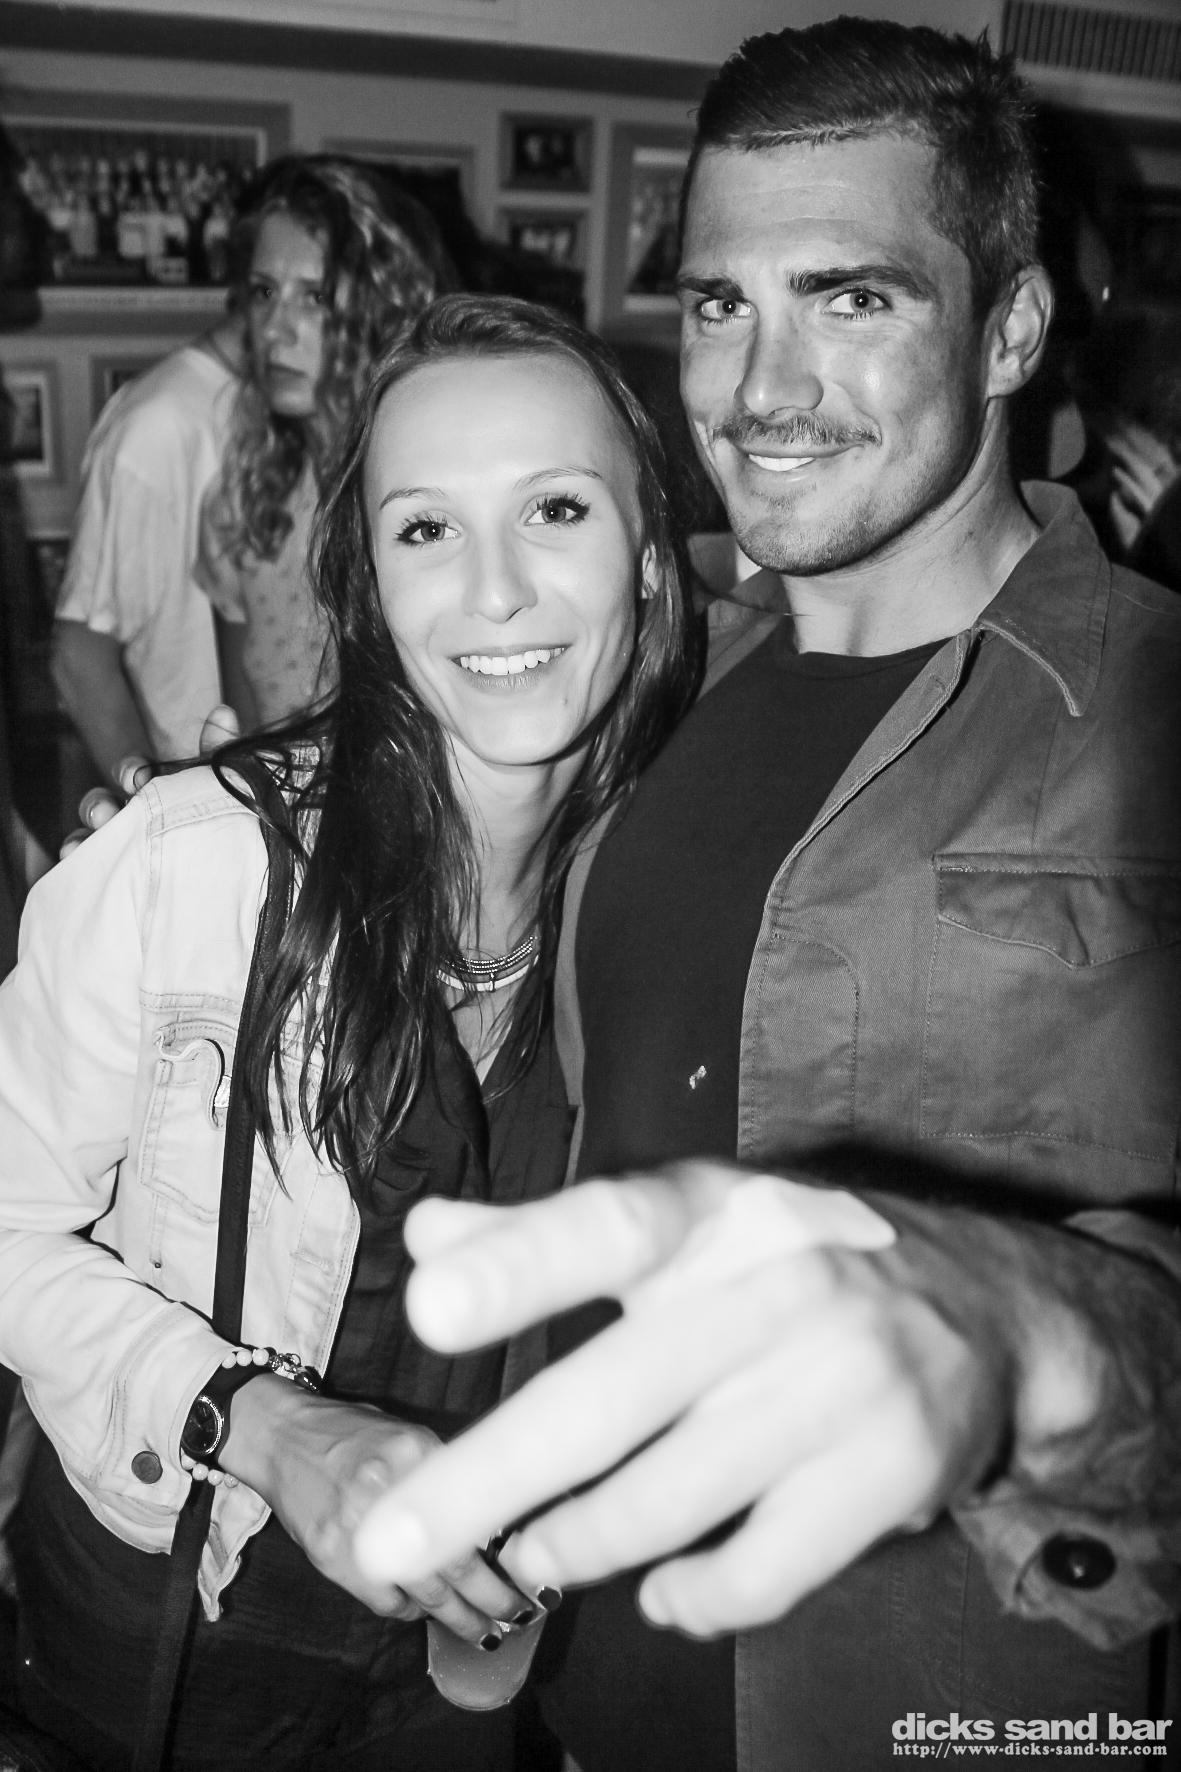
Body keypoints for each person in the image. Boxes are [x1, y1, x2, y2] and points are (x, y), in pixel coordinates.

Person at [350, 20, 1181, 1770]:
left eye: (852, 299)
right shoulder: (659, 677)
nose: (761, 388)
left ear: (1011, 329)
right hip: (579, 1680)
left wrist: (1038, 1332)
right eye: (721, 305)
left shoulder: (1150, 714)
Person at [0, 294, 696, 1772]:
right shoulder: (192, 868)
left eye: (556, 509)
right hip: (185, 1620)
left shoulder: (674, 893)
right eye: (427, 529)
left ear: (648, 556)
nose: (495, 590)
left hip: (469, 1651)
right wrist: (258, 1422)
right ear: (370, 587)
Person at [197, 156, 446, 731]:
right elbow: (243, 727)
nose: (274, 329)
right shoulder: (245, 496)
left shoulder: (432, 493)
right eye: (264, 292)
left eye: (313, 297)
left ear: (379, 309)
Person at [50, 305, 244, 790]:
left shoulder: (290, 406)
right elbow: (81, 660)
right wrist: (158, 810)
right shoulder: (156, 426)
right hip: (202, 791)